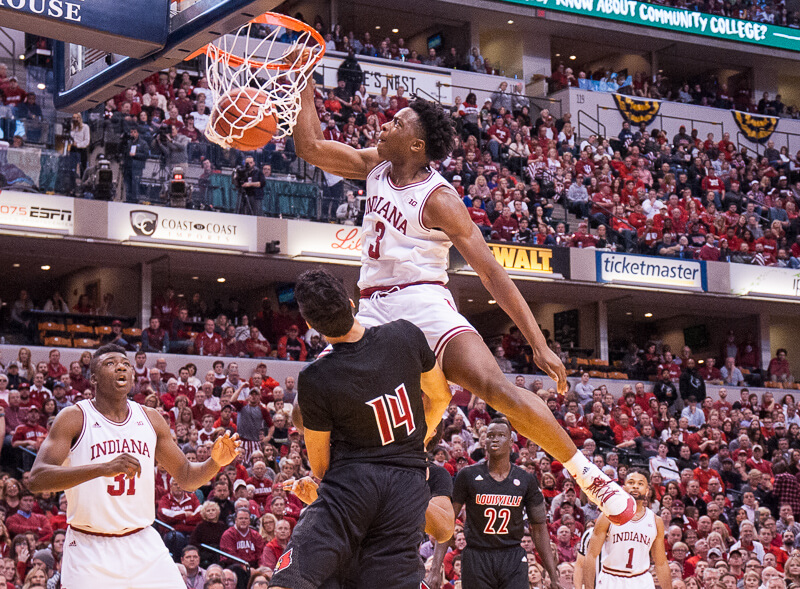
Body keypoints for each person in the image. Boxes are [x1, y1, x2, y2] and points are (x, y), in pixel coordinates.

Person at [290, 66, 635, 526]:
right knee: (301, 411)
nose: (386, 123)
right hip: (371, 307)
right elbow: (310, 147)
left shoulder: (440, 199)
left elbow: (492, 273)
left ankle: (589, 475)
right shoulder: (375, 165)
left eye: (398, 123)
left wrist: (537, 342)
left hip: (423, 300)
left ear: (417, 145)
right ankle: (345, 480)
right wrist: (303, 92)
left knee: (495, 388)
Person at [269, 269, 453, 589]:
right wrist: (415, 445)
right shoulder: (405, 334)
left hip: (353, 486)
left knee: (291, 580)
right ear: (352, 303)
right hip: (407, 488)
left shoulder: (316, 378)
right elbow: (441, 397)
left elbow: (321, 466)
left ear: (311, 326)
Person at [27, 344, 241, 589]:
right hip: (89, 545)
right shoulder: (74, 417)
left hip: (142, 541)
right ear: (94, 378)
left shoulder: (150, 418)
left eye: (125, 364)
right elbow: (37, 479)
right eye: (110, 363)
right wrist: (101, 469)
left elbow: (187, 477)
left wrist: (215, 463)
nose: (121, 367)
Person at [433, 419, 560, 589]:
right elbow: (447, 522)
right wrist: (434, 569)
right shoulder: (467, 476)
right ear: (484, 442)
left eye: (501, 435)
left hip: (512, 556)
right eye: (490, 435)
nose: (494, 439)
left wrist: (552, 573)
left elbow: (539, 527)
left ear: (511, 442)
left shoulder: (526, 480)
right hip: (477, 556)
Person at [584, 471, 672, 589]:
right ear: (623, 488)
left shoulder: (656, 521)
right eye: (631, 482)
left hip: (641, 580)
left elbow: (661, 563)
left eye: (640, 484)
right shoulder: (608, 515)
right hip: (611, 578)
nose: (635, 486)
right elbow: (591, 555)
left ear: (647, 491)